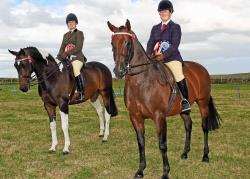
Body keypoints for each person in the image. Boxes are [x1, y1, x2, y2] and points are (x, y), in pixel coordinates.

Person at [146, 0, 191, 113]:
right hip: (155, 58)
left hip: (172, 58)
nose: (163, 13)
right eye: (161, 11)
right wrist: (148, 55)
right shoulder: (155, 28)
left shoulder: (175, 27)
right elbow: (150, 42)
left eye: (165, 11)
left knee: (178, 74)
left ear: (170, 12)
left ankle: (185, 101)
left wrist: (164, 56)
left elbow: (175, 45)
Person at [57, 13, 87, 100]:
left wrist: (67, 53)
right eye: (69, 22)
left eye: (72, 22)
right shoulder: (65, 35)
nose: (70, 24)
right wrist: (59, 56)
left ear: (76, 23)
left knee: (76, 70)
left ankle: (80, 92)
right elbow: (62, 47)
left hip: (77, 57)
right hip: (66, 59)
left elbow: (78, 47)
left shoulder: (79, 33)